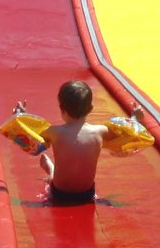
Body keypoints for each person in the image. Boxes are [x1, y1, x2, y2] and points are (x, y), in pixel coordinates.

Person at [16, 80, 146, 206]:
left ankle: (51, 169)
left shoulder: (54, 132)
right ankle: (52, 169)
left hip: (60, 193)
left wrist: (20, 116)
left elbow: (28, 134)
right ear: (91, 109)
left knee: (52, 179)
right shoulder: (99, 132)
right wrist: (135, 117)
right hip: (86, 194)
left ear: (61, 109)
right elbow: (128, 132)